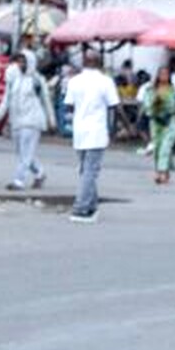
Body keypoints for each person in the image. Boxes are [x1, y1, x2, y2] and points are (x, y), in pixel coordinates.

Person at [63, 49, 120, 222]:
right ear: (100, 62)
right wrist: (122, 128)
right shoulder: (105, 81)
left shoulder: (74, 81)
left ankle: (91, 207)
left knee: (85, 170)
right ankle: (81, 208)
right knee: (90, 171)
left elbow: (69, 106)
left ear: (84, 61)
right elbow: (114, 106)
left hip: (79, 131)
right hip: (96, 132)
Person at [0, 50, 54, 190]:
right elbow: (6, 100)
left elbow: (46, 101)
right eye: (19, 61)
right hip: (17, 121)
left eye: (24, 61)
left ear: (31, 62)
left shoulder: (37, 80)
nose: (21, 64)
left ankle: (18, 181)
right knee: (22, 153)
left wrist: (52, 120)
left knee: (26, 153)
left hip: (33, 121)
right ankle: (40, 173)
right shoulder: (14, 80)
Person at [142, 65, 175, 184]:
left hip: (170, 121)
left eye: (166, 74)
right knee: (158, 147)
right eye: (162, 74)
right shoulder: (151, 90)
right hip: (156, 122)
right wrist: (154, 104)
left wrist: (170, 109)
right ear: (158, 76)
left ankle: (162, 172)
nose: (164, 76)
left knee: (165, 147)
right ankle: (160, 170)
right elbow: (147, 106)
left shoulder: (173, 90)